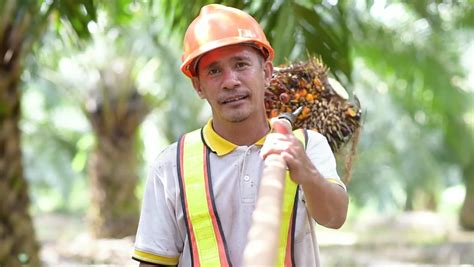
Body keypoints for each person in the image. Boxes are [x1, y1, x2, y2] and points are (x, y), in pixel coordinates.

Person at [132, 4, 348, 267]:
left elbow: (335, 217)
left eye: (241, 64)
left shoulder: (307, 146)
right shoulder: (170, 166)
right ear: (198, 86)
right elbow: (154, 263)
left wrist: (305, 170)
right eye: (214, 71)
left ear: (266, 73)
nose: (230, 81)